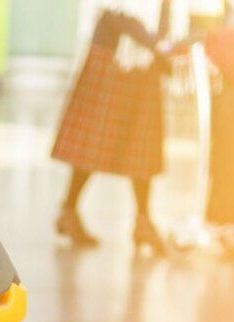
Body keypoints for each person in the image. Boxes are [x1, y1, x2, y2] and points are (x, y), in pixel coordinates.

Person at [52, 3, 182, 257]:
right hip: (114, 56)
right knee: (93, 142)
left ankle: (143, 220)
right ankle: (69, 211)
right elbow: (116, 13)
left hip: (146, 62)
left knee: (141, 146)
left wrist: (164, 49)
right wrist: (157, 44)